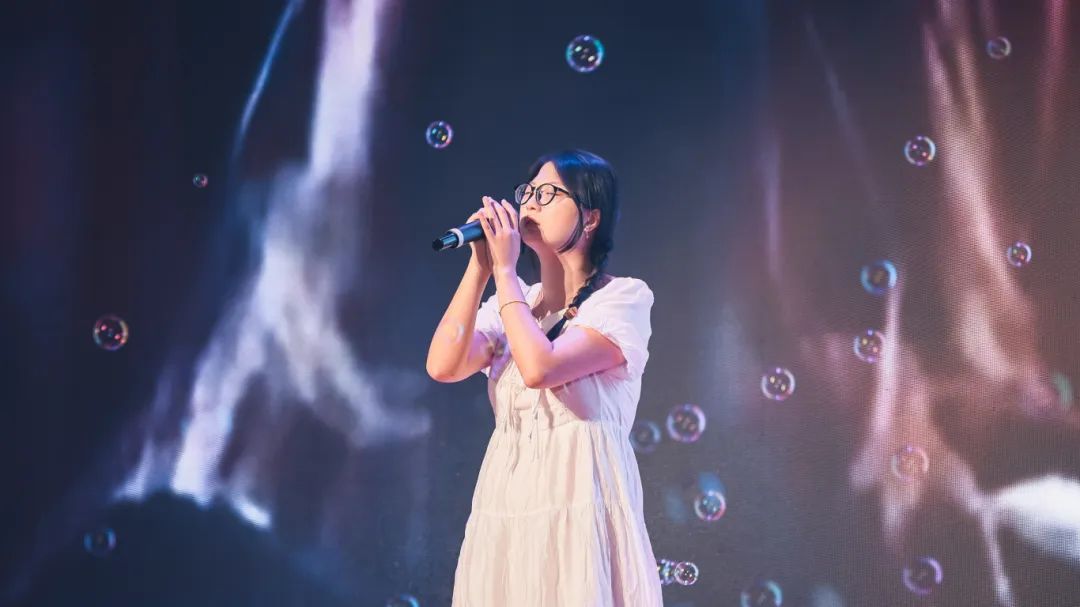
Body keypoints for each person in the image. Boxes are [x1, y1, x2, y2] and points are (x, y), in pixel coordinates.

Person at [426, 149, 663, 606]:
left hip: (578, 510)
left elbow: (540, 368)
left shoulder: (621, 300)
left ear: (590, 217)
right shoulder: (516, 303)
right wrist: (480, 268)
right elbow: (443, 365)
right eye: (527, 192)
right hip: (507, 509)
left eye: (548, 193)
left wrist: (505, 271)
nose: (529, 203)